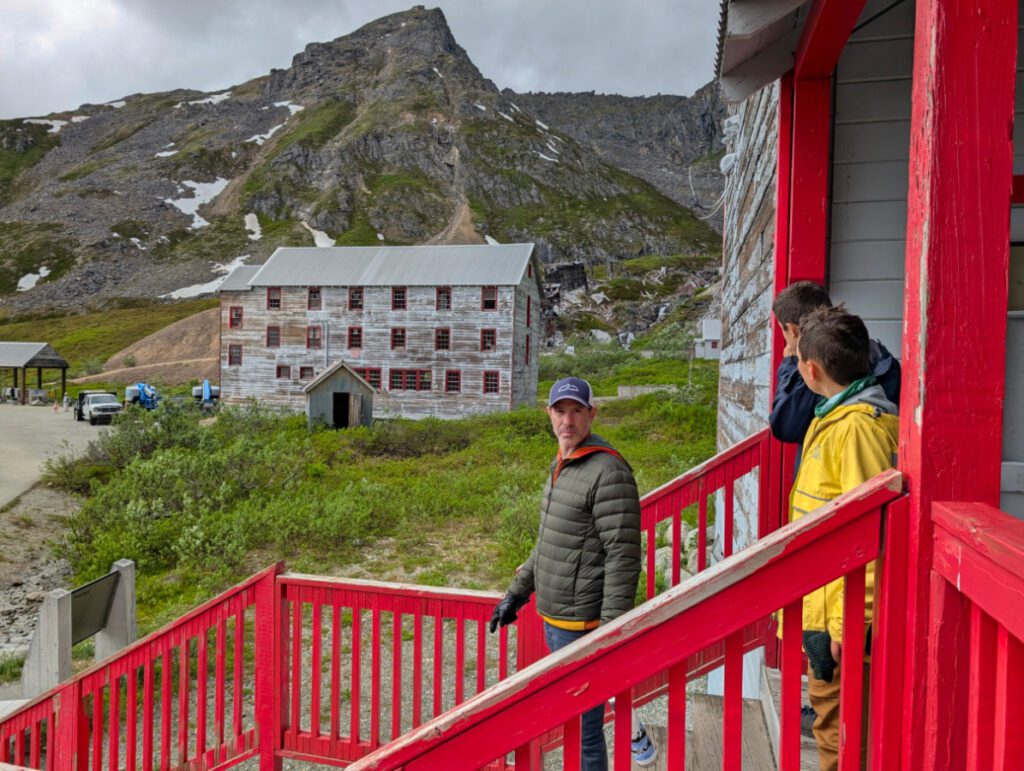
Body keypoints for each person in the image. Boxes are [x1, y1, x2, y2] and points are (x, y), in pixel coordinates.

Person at [488, 377, 656, 769]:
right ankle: (634, 728)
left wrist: (612, 632)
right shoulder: (563, 463)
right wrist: (517, 592)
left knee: (583, 731)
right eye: (560, 411)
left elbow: (623, 556)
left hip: (583, 625)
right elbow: (550, 541)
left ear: (591, 414)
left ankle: (629, 734)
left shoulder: (608, 471)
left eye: (576, 410)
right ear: (549, 415)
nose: (568, 420)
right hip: (555, 617)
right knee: (581, 717)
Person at [790, 306, 899, 771]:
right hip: (827, 606)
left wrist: (846, 626)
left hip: (841, 614)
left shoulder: (855, 428)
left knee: (836, 730)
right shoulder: (835, 416)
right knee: (831, 724)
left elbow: (870, 532)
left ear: (811, 370)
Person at [770, 281, 901, 471]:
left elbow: (786, 425)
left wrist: (790, 365)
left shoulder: (857, 426)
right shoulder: (874, 355)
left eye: (783, 329)